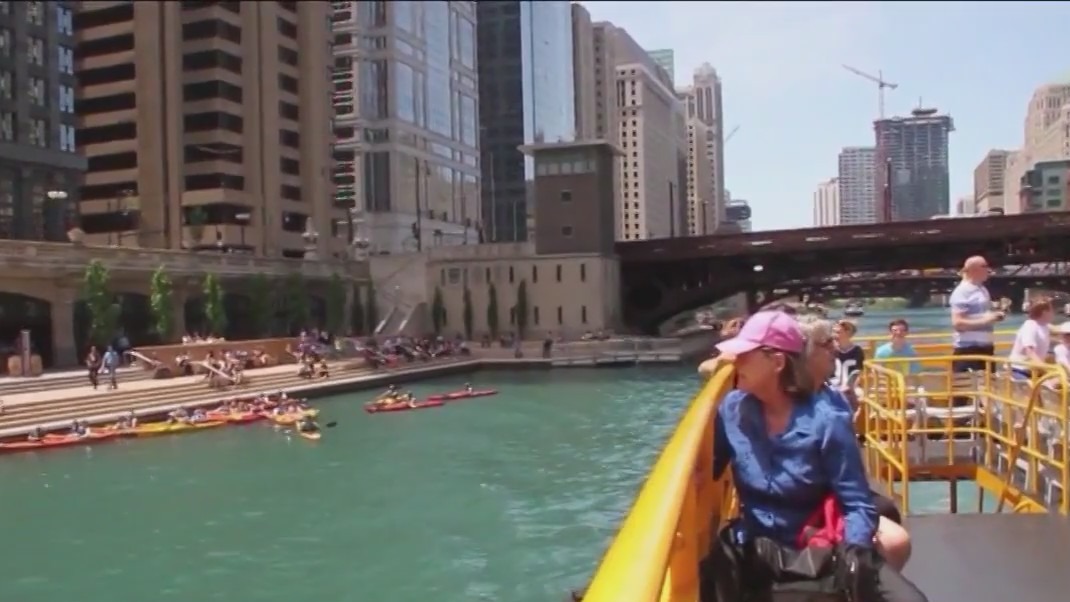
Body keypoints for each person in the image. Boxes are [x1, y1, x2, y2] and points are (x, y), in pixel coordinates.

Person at [708, 311, 925, 601]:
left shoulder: (826, 421)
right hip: (757, 549)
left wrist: (856, 553)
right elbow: (708, 467)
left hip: (817, 550)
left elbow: (857, 503)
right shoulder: (731, 409)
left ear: (777, 362)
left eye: (745, 354)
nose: (735, 362)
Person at [796, 315, 911, 569]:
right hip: (814, 500)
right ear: (804, 353)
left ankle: (865, 577)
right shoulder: (788, 404)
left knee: (887, 510)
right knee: (891, 534)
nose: (834, 349)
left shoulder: (833, 399)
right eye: (826, 344)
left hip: (838, 492)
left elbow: (849, 476)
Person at [949, 255, 1002, 374]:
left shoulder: (982, 289)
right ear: (973, 269)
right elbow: (958, 323)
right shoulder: (962, 292)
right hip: (969, 350)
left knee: (988, 387)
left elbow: (983, 315)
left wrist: (995, 315)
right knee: (967, 389)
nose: (988, 270)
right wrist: (986, 320)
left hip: (986, 348)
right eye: (984, 266)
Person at [1008, 298, 1054, 379]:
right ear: (1044, 312)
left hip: (1034, 369)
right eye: (1051, 311)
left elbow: (1060, 329)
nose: (1053, 313)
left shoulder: (1044, 326)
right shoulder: (1030, 326)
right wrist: (1046, 370)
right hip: (1020, 369)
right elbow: (1030, 352)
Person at [832, 319, 865, 389]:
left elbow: (859, 373)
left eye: (838, 332)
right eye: (834, 332)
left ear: (848, 333)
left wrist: (851, 389)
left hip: (851, 388)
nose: (834, 335)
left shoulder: (857, 351)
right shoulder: (831, 350)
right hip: (833, 387)